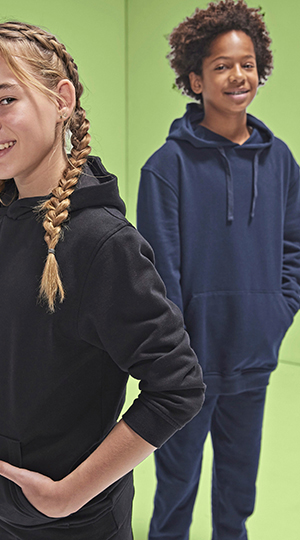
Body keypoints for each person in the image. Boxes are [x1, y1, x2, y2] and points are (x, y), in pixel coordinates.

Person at [0, 21, 205, 540]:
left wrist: (69, 495)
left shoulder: (103, 243)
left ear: (62, 100)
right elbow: (17, 349)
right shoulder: (2, 218)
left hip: (71, 525)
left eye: (5, 100)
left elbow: (177, 387)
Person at [137, 1, 300, 539]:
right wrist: (176, 354)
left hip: (254, 354)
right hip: (189, 367)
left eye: (247, 64)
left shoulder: (281, 161)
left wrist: (278, 310)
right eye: (222, 66)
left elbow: (294, 246)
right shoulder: (166, 167)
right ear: (195, 79)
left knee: (238, 490)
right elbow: (160, 272)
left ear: (260, 70)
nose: (238, 76)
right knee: (176, 486)